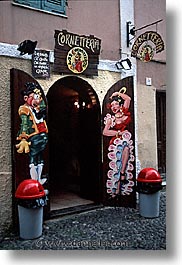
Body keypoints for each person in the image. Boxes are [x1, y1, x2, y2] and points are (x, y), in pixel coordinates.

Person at [103, 87, 134, 198]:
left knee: (126, 149)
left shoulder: (125, 112)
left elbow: (128, 99)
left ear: (120, 105)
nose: (114, 107)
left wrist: (117, 93)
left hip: (125, 141)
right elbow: (105, 132)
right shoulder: (111, 119)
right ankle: (116, 186)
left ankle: (122, 178)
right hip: (116, 142)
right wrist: (118, 133)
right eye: (112, 105)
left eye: (116, 104)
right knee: (117, 163)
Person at [16, 82, 48, 185]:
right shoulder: (24, 109)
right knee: (33, 158)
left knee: (40, 158)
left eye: (37, 97)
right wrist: (23, 137)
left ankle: (39, 179)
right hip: (34, 137)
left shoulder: (38, 108)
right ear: (26, 98)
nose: (37, 99)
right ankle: (34, 180)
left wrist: (39, 96)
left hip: (42, 135)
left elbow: (43, 106)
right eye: (33, 97)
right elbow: (24, 124)